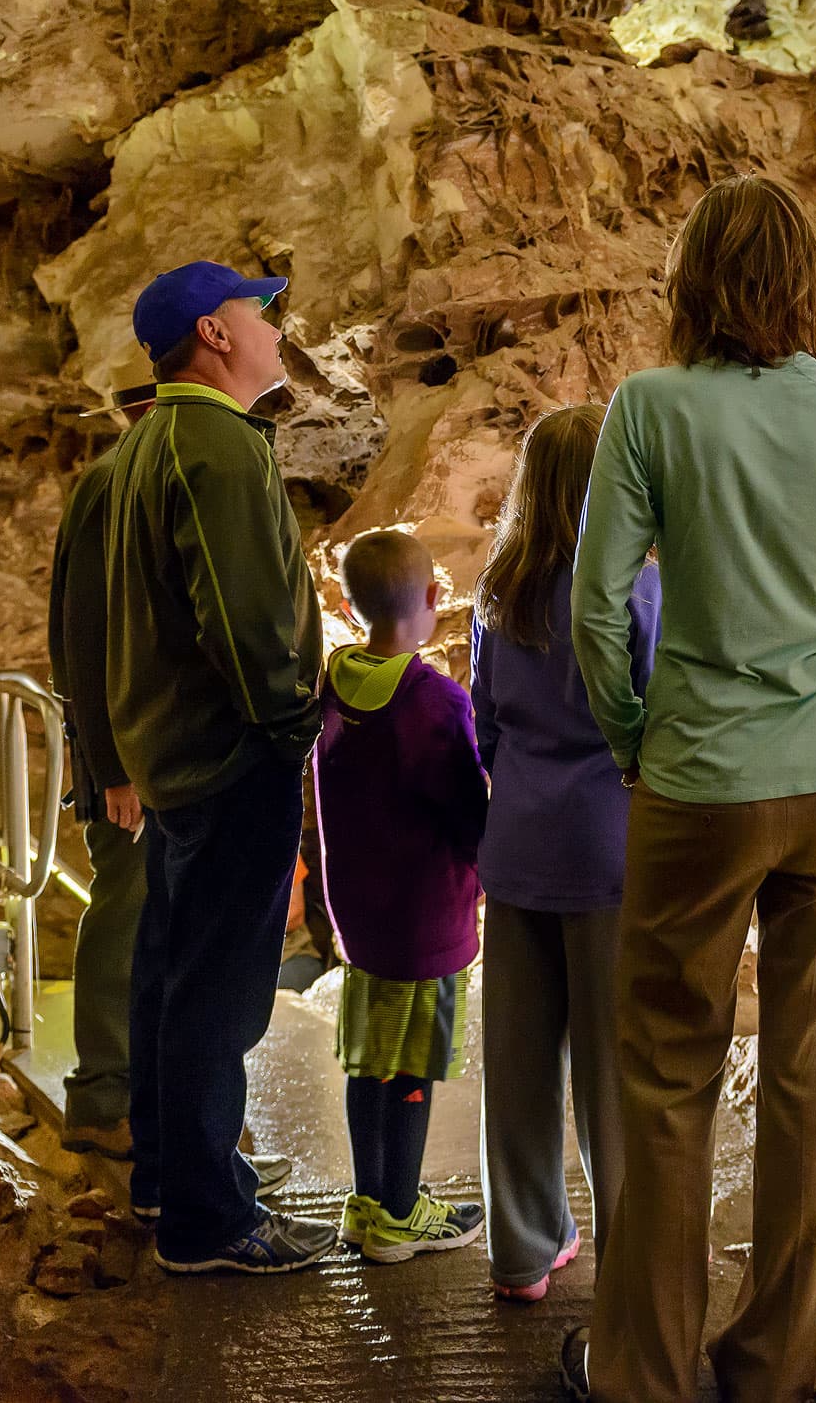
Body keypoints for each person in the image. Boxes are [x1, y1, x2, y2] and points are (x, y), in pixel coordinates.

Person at [561, 176, 816, 1402]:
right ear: (807, 283)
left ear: (692, 282)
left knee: (667, 1080)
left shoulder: (651, 408)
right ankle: (771, 1365)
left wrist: (632, 736)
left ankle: (646, 1376)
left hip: (701, 781)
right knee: (807, 1078)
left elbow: (596, 602)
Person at [105, 259, 336, 1274]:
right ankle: (209, 1219)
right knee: (219, 990)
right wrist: (293, 724)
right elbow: (243, 619)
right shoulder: (212, 442)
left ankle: (168, 1174)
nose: (275, 323)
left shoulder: (153, 439)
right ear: (213, 331)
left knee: (172, 966)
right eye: (260, 308)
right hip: (230, 753)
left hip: (174, 750)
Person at [471, 405, 660, 1303]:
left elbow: (484, 721)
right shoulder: (637, 587)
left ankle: (521, 1251)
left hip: (514, 846)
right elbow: (659, 714)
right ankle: (631, 1258)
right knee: (613, 1072)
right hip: (609, 849)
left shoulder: (495, 591)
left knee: (516, 1064)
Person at [312, 530, 491, 1262]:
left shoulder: (332, 683)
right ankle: (397, 1211)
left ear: (350, 606)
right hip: (425, 922)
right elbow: (468, 815)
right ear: (432, 601)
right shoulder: (435, 703)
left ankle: (367, 1198)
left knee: (370, 1058)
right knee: (413, 1063)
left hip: (360, 918)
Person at [46, 381, 156, 1159]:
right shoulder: (118, 482)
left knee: (144, 910)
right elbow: (87, 632)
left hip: (135, 747)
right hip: (128, 754)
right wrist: (115, 763)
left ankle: (141, 1096)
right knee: (128, 905)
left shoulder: (125, 478)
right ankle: (104, 1096)